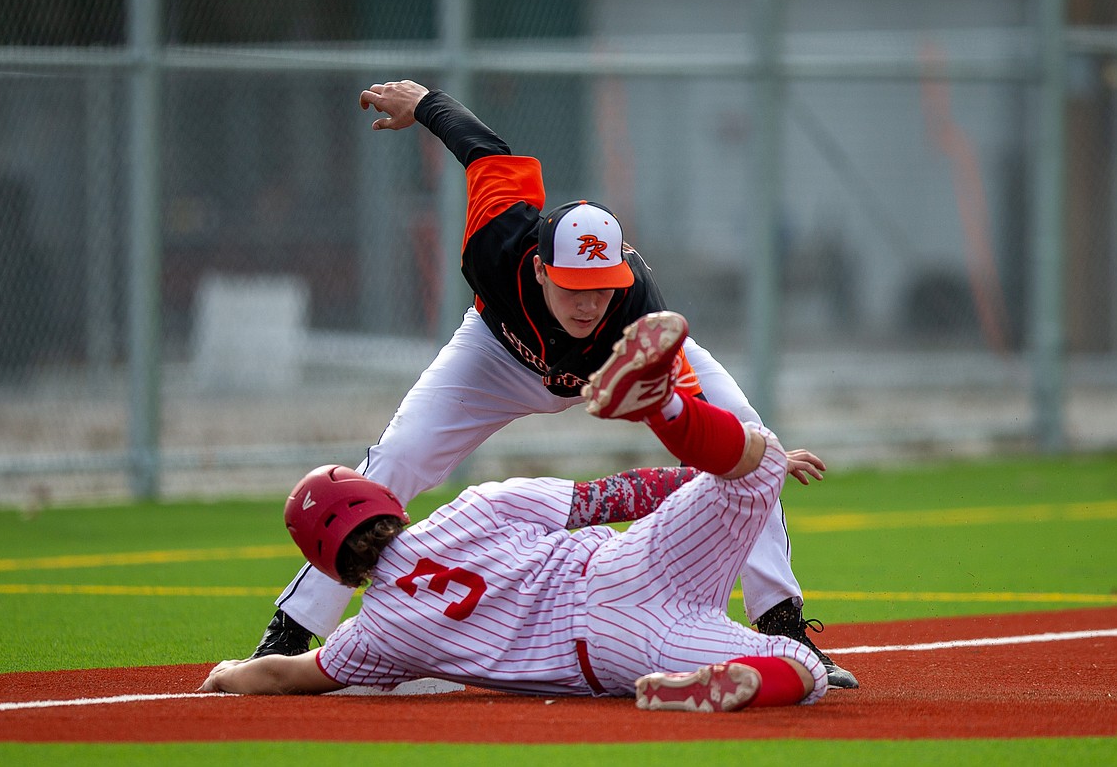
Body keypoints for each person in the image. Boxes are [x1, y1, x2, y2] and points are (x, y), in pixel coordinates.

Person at [250, 78, 858, 689]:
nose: (590, 300)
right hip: (497, 355)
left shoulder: (639, 316)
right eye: (572, 284)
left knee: (752, 438)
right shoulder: (498, 241)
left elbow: (700, 427)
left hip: (611, 368)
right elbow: (487, 152)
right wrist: (427, 106)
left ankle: (781, 623)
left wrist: (750, 457)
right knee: (398, 455)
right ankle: (292, 627)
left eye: (603, 284)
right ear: (540, 268)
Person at [202, 312, 829, 711]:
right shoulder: (474, 508)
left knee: (793, 671)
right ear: (381, 501)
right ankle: (665, 409)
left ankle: (730, 681)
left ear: (330, 566)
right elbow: (615, 497)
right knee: (761, 459)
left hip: (609, 649)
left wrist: (230, 673)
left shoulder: (375, 634)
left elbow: (285, 677)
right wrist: (724, 475)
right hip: (628, 563)